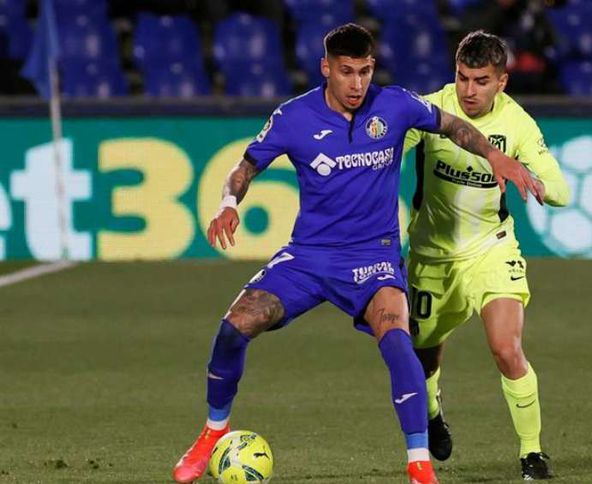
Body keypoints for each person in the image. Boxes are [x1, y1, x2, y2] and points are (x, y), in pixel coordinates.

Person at [171, 24, 540, 484]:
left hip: (374, 257)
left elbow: (453, 126)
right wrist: (228, 203)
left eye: (365, 71)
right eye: (346, 72)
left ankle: (420, 466)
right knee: (235, 325)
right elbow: (245, 167)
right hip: (309, 256)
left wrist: (493, 155)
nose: (357, 83)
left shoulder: (395, 105)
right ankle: (212, 432)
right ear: (326, 68)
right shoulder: (293, 117)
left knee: (399, 339)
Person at [403, 31, 571, 480]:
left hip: (491, 249)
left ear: (502, 82)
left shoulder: (518, 124)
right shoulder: (433, 110)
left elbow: (561, 191)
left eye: (481, 81)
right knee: (423, 357)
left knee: (506, 348)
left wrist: (532, 179)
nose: (469, 90)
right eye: (462, 77)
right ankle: (432, 412)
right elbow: (390, 146)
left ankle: (532, 453)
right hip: (431, 256)